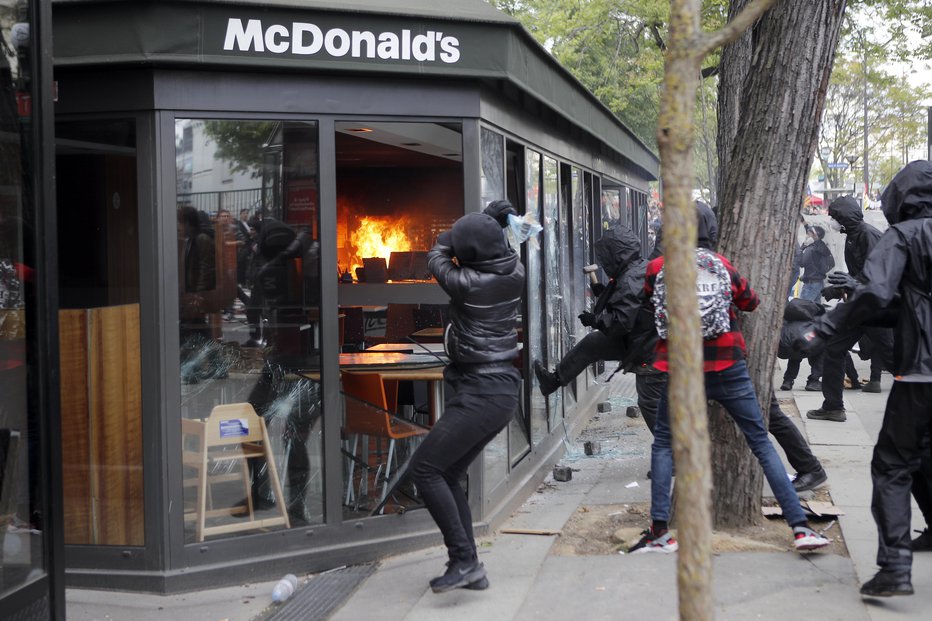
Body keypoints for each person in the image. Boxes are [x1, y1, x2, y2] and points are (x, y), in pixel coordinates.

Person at [630, 226, 829, 554]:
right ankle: (800, 528)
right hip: (727, 366)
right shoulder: (721, 263)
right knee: (761, 443)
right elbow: (750, 301)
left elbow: (651, 304)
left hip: (680, 368)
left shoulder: (658, 267)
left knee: (665, 445)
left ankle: (659, 532)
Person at [797, 160, 932, 596]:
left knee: (892, 463)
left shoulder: (904, 235)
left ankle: (894, 566)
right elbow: (901, 305)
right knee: (921, 455)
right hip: (920, 365)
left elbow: (877, 293)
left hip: (921, 372)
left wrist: (827, 327)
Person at [408, 200, 524, 594]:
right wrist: (489, 224)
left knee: (425, 471)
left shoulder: (466, 284)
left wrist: (472, 226)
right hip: (499, 390)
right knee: (448, 473)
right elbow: (496, 247)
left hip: (481, 392)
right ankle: (470, 565)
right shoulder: (515, 269)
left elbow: (436, 253)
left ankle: (463, 560)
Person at [533, 223, 662, 432]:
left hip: (647, 348)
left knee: (650, 404)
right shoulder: (637, 268)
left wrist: (597, 321)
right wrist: (601, 293)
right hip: (640, 338)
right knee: (593, 344)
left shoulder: (630, 278)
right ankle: (554, 380)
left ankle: (672, 457)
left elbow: (620, 322)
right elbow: (626, 303)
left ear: (615, 256)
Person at [805, 197, 895, 422]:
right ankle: (833, 406)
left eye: (834, 216)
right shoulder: (853, 237)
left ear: (844, 218)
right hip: (859, 306)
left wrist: (850, 285)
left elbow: (879, 277)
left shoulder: (868, 235)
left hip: (875, 309)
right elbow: (859, 275)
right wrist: (837, 290)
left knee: (895, 359)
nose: (832, 221)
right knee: (834, 348)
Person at [797, 224, 834, 302]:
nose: (807, 235)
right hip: (819, 283)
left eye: (809, 233)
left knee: (803, 308)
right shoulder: (822, 247)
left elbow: (802, 263)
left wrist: (802, 248)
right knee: (815, 311)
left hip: (810, 285)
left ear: (815, 236)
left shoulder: (811, 249)